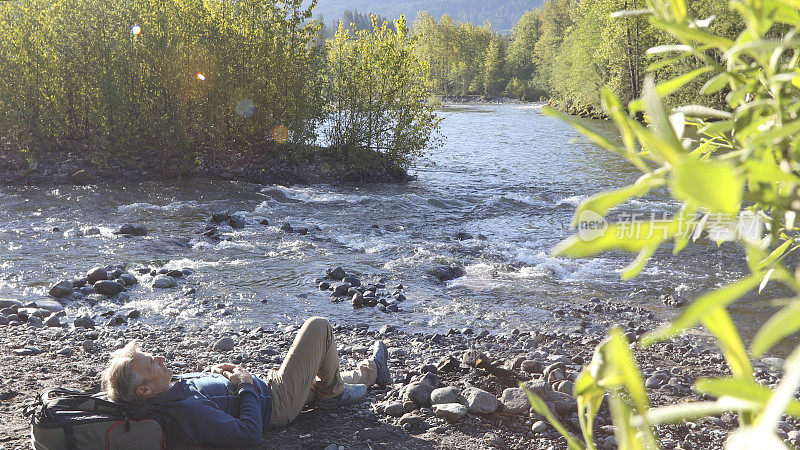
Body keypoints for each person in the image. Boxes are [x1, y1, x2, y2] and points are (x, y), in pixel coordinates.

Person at [101, 316, 390, 447]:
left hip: (269, 390)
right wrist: (246, 385)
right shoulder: (184, 408)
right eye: (153, 363)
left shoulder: (162, 394)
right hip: (276, 402)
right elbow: (248, 434)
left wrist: (210, 375)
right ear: (144, 390)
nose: (161, 358)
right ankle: (335, 393)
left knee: (319, 377)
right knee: (319, 327)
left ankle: (369, 373)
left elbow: (207, 398)